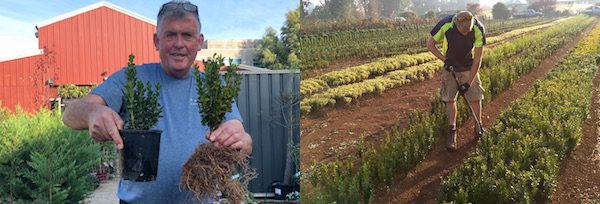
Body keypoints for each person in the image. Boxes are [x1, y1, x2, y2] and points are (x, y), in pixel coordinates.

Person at [62, 1, 252, 203]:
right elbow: (70, 114)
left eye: (187, 35)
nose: (179, 43)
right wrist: (92, 113)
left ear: (199, 41)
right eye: (171, 35)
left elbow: (245, 142)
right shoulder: (131, 78)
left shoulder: (214, 86)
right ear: (157, 41)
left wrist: (241, 140)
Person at [426, 11, 486, 151]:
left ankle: (478, 126)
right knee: (450, 99)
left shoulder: (478, 28)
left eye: (468, 31)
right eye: (462, 31)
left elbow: (478, 59)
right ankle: (452, 130)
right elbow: (430, 44)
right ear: (456, 25)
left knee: (475, 97)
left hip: (468, 65)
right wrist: (444, 60)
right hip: (451, 65)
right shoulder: (446, 24)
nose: (466, 33)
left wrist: (468, 83)